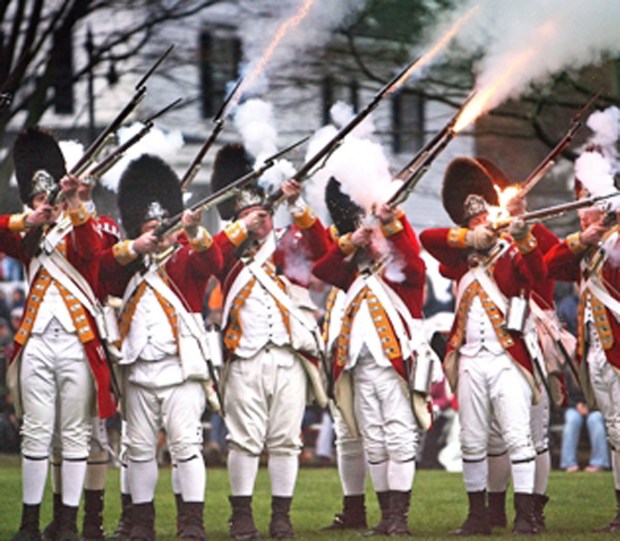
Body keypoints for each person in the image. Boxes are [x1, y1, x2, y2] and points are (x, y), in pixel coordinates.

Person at [100, 154, 223, 541]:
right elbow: (101, 273)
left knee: (187, 447)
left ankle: (191, 523)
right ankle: (141, 523)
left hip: (180, 368)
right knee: (137, 450)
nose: (159, 233)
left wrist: (195, 231)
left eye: (163, 226)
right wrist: (135, 247)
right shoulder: (128, 264)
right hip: (138, 368)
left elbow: (214, 260)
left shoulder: (186, 258)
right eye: (150, 227)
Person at [420, 157, 546, 535]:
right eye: (471, 222)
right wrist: (470, 239)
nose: (478, 224)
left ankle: (525, 514)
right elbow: (429, 240)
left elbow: (537, 274)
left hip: (508, 357)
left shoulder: (510, 251)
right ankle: (478, 516)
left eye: (481, 219)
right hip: (470, 359)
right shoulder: (460, 259)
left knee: (517, 435)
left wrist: (522, 238)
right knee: (472, 439)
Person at [211, 144, 329, 540]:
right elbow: (206, 260)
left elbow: (325, 254)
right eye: (246, 212)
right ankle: (241, 516)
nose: (256, 219)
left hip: (289, 354)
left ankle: (282, 517)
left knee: (285, 440)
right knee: (243, 440)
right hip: (243, 355)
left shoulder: (289, 240)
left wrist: (297, 205)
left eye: (260, 212)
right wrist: (241, 227)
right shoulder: (225, 248)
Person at [3, 127, 115, 541]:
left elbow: (93, 254)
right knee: (35, 433)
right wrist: (25, 220)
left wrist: (74, 204)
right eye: (36, 199)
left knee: (74, 435)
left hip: (76, 343)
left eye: (46, 198)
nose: (42, 204)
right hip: (34, 342)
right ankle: (30, 523)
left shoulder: (83, 226)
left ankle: (67, 522)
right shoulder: (24, 234)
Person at [312, 177, 429, 537]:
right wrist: (351, 241)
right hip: (358, 364)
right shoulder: (351, 271)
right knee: (375, 441)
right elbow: (323, 270)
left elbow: (414, 264)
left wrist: (391, 224)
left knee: (398, 438)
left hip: (394, 366)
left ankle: (399, 517)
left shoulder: (398, 274)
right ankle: (385, 515)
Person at [475, 158, 562, 532]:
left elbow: (552, 266)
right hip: (490, 341)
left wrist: (523, 235)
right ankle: (494, 510)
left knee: (534, 430)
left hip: (534, 334)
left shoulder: (538, 234)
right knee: (495, 433)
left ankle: (534, 510)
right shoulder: (482, 237)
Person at [544, 174, 620, 532]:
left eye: (585, 208)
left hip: (617, 351)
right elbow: (550, 267)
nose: (580, 215)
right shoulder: (587, 247)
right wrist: (582, 238)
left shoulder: (616, 242)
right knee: (615, 430)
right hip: (597, 353)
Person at [560, 365, 609, 472]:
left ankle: (599, 462)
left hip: (595, 407)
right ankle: (568, 463)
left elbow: (602, 392)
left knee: (595, 420)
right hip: (574, 407)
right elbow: (565, 394)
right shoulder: (568, 371)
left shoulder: (596, 369)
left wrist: (590, 407)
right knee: (572, 421)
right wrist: (577, 405)